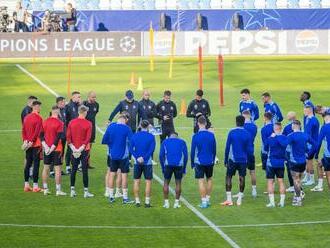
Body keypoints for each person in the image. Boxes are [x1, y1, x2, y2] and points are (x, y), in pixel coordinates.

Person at [102, 114, 134, 204]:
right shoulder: (127, 128)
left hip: (112, 155)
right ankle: (125, 198)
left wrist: (112, 145)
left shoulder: (111, 127)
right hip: (124, 156)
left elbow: (104, 140)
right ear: (124, 120)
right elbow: (132, 141)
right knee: (124, 175)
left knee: (112, 174)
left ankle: (111, 196)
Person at [222, 115, 252, 206]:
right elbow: (250, 150)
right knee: (242, 177)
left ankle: (229, 199)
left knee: (228, 177)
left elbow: (227, 147)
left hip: (232, 159)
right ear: (244, 123)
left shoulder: (232, 132)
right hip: (243, 160)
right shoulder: (247, 134)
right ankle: (239, 199)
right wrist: (249, 160)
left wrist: (225, 159)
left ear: (236, 122)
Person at [66, 105, 94, 198]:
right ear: (85, 112)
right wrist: (81, 148)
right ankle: (86, 192)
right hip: (84, 150)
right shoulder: (88, 123)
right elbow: (88, 138)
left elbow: (68, 137)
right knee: (85, 170)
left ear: (78, 112)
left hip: (74, 149)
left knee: (73, 169)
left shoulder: (71, 122)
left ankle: (72, 191)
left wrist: (74, 148)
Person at [191, 116, 216, 208]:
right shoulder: (211, 135)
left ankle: (204, 201)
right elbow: (214, 149)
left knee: (201, 181)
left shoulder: (195, 136)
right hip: (210, 160)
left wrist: (192, 163)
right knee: (209, 179)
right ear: (206, 123)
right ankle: (208, 199)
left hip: (199, 161)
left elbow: (193, 151)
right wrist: (213, 159)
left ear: (198, 123)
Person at [40, 106, 66, 196]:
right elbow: (58, 137)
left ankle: (45, 189)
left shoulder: (45, 121)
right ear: (58, 112)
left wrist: (46, 146)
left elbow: (41, 135)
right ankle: (58, 190)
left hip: (47, 148)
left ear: (51, 111)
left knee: (46, 168)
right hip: (57, 149)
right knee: (57, 170)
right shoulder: (60, 123)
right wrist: (52, 147)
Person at [129, 120, 156, 208]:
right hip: (147, 162)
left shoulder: (135, 135)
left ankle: (137, 201)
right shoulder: (151, 136)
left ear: (140, 126)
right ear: (148, 126)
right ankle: (147, 202)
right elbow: (151, 149)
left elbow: (130, 149)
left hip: (137, 162)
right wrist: (144, 158)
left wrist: (137, 157)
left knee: (136, 181)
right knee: (148, 182)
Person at [159, 132, 188, 209]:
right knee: (178, 183)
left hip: (168, 165)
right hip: (179, 165)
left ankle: (166, 203)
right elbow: (186, 156)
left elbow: (161, 155)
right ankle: (176, 203)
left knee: (166, 183)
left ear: (169, 136)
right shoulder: (182, 142)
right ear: (177, 136)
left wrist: (162, 167)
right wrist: (184, 168)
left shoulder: (165, 142)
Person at [22, 101, 43, 192]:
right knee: (36, 164)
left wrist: (26, 141)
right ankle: (35, 186)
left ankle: (26, 185)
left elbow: (23, 130)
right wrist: (32, 141)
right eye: (39, 107)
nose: (40, 108)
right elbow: (37, 132)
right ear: (36, 107)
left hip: (28, 144)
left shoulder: (26, 117)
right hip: (36, 144)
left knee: (28, 164)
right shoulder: (38, 118)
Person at [265, 122, 288, 208]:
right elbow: (284, 145)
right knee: (281, 181)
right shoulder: (285, 138)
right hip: (281, 163)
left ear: (274, 129)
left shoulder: (271, 138)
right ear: (281, 128)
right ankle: (281, 202)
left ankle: (272, 203)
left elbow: (265, 148)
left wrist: (273, 137)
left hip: (271, 163)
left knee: (270, 181)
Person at [287, 120, 308, 206]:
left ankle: (298, 200)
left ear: (294, 125)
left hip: (294, 161)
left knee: (296, 180)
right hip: (303, 161)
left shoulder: (290, 136)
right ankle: (297, 195)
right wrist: (308, 153)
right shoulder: (305, 135)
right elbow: (314, 144)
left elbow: (284, 146)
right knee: (298, 179)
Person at [303, 105, 320, 187]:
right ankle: (308, 177)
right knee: (307, 160)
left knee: (309, 161)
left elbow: (309, 134)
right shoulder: (307, 118)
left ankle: (312, 179)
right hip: (309, 143)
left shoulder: (313, 120)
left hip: (312, 144)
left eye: (305, 110)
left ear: (309, 110)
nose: (304, 111)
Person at [242, 110, 258, 198]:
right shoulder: (254, 126)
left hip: (242, 152)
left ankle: (241, 192)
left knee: (241, 173)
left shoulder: (242, 126)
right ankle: (254, 190)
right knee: (252, 171)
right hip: (251, 150)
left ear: (243, 116)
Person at [64, 91, 81, 174]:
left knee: (78, 148)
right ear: (73, 97)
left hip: (78, 131)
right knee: (70, 149)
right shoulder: (68, 106)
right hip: (70, 132)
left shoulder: (78, 106)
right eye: (78, 97)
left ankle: (76, 165)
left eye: (80, 97)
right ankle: (67, 167)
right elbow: (65, 119)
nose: (79, 98)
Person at [83, 91, 99, 169]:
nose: (94, 98)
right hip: (84, 128)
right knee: (83, 145)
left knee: (90, 145)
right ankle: (81, 163)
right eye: (93, 97)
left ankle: (87, 163)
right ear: (88, 96)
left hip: (92, 127)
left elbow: (95, 114)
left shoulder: (96, 105)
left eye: (95, 97)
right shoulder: (84, 104)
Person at [315, 112, 330, 198]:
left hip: (328, 155)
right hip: (327, 155)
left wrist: (316, 155)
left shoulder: (324, 128)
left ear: (324, 118)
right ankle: (319, 185)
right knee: (319, 165)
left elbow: (319, 142)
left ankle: (320, 186)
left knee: (328, 174)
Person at [282, 111, 297, 193]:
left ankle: (292, 186)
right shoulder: (299, 126)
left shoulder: (287, 127)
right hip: (297, 151)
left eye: (287, 115)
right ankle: (297, 185)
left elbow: (284, 139)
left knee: (289, 168)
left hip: (289, 151)